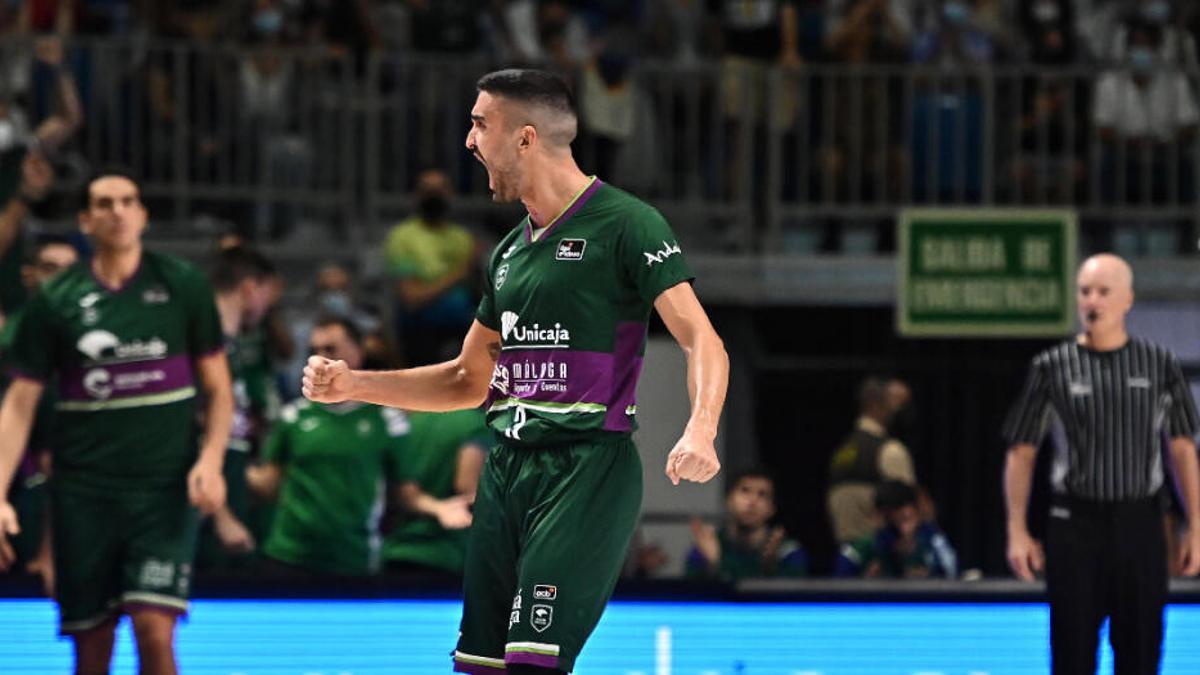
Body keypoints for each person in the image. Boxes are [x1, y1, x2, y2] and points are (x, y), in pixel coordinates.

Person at [303, 68, 728, 674]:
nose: (468, 142)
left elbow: (702, 339)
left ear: (525, 138)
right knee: (480, 668)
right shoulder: (507, 253)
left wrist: (701, 427)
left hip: (583, 467)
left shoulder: (627, 223)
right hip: (507, 472)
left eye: (480, 124)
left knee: (532, 665)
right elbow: (466, 381)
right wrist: (354, 384)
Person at [0, 167, 232, 675]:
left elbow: (218, 389)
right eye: (104, 203)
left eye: (128, 200)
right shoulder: (56, 300)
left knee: (154, 631)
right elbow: (18, 404)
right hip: (83, 495)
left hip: (162, 492)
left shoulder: (182, 286)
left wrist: (211, 460)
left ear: (144, 214)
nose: (118, 211)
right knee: (92, 645)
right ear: (86, 220)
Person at [1003, 253, 1200, 675]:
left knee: (1141, 654)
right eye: (1085, 291)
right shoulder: (1051, 367)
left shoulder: (1159, 364)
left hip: (1140, 525)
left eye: (1103, 292)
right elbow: (1022, 450)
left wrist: (1197, 526)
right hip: (1075, 526)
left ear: (1127, 300)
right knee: (1072, 656)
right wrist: (1017, 529)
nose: (1093, 301)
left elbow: (1182, 447)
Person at [248, 316, 409, 578]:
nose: (318, 360)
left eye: (330, 350)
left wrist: (440, 508)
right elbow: (268, 483)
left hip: (354, 559)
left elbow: (405, 492)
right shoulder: (293, 417)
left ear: (358, 352)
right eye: (313, 351)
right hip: (288, 556)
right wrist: (223, 458)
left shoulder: (388, 420)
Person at [0, 234, 78, 586]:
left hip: (51, 499)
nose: (60, 279)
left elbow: (55, 459)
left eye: (69, 270)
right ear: (29, 275)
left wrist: (51, 549)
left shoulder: (92, 347)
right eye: (50, 268)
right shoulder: (10, 337)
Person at [195, 245, 277, 570]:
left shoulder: (232, 347)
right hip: (205, 511)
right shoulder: (202, 345)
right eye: (267, 295)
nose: (268, 307)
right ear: (249, 288)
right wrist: (222, 517)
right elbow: (187, 435)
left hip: (232, 485)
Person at [383, 168, 480, 366]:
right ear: (417, 196)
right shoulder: (403, 237)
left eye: (439, 190)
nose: (434, 196)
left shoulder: (463, 238)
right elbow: (412, 297)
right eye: (428, 190)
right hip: (420, 328)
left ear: (450, 195)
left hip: (467, 328)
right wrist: (458, 273)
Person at [383, 405, 489, 581]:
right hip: (448, 554)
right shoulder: (478, 425)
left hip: (396, 550)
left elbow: (401, 489)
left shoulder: (410, 421)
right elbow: (467, 487)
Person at [827, 376, 916, 544]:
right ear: (875, 403)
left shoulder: (841, 452)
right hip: (880, 558)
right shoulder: (890, 451)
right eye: (896, 402)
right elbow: (909, 513)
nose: (901, 410)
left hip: (846, 552)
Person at [686, 468, 807, 581]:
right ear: (728, 500)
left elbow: (792, 599)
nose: (752, 501)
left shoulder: (787, 551)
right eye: (745, 491)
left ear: (772, 508)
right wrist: (713, 563)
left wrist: (771, 570)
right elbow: (690, 598)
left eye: (762, 494)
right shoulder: (705, 548)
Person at [834, 479, 957, 579]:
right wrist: (865, 584)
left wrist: (928, 578)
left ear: (917, 514)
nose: (903, 530)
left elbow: (952, 579)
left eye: (906, 519)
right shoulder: (861, 549)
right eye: (893, 524)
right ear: (879, 519)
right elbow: (838, 588)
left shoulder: (933, 543)